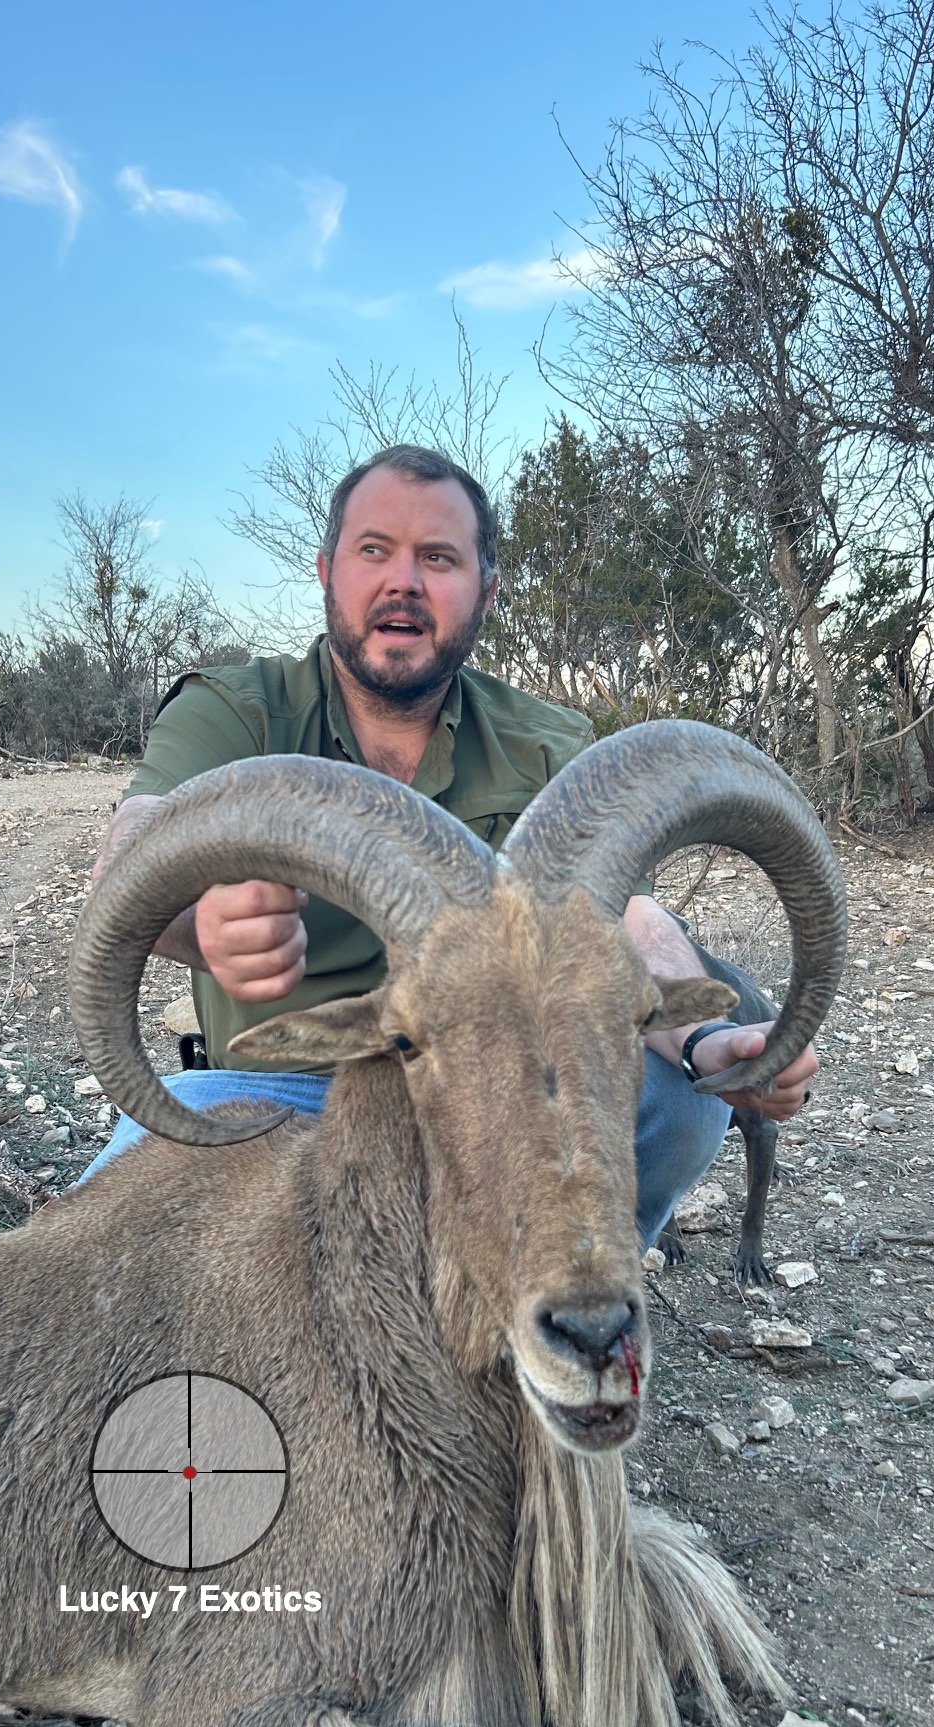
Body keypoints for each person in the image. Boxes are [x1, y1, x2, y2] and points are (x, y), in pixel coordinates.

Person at [82, 445, 818, 1247]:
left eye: (438, 557)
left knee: (678, 1104)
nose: (403, 581)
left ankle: (556, 1300)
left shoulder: (548, 745)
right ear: (328, 571)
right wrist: (201, 923)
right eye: (374, 551)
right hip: (270, 1093)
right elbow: (133, 846)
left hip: (484, 1089)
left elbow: (626, 924)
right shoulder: (235, 710)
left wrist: (707, 1040)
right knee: (106, 1262)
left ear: (487, 591)